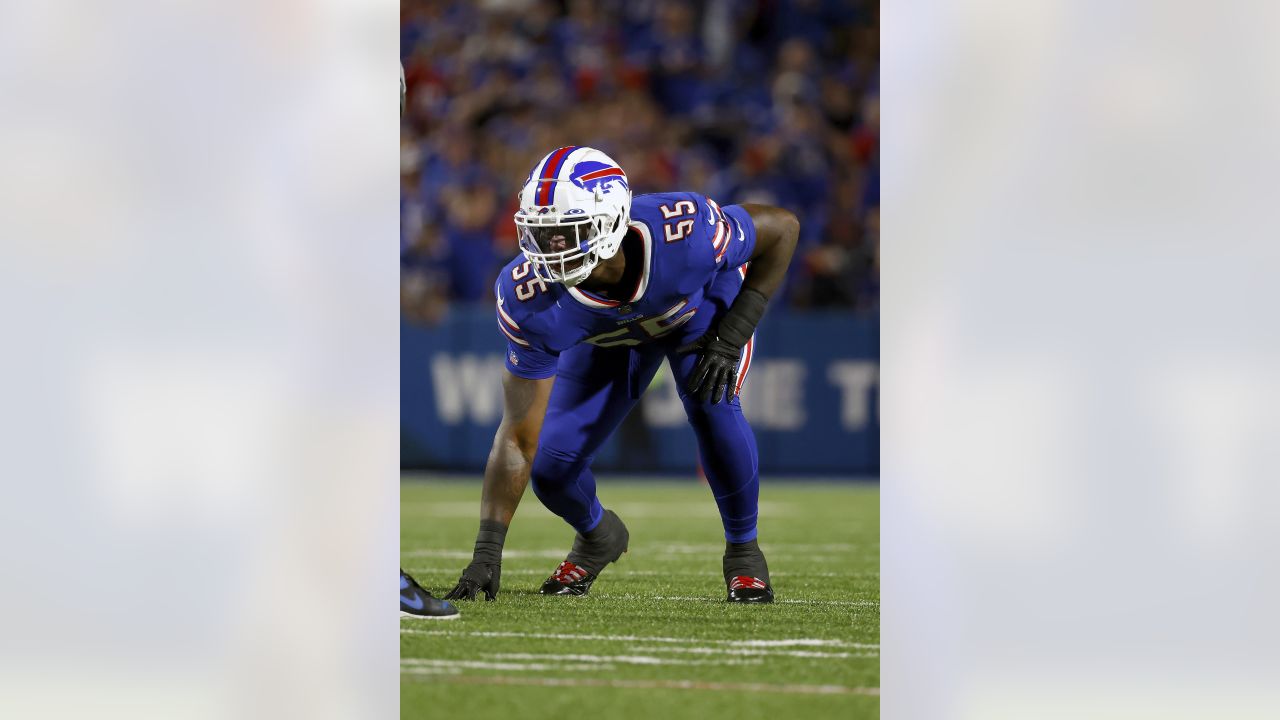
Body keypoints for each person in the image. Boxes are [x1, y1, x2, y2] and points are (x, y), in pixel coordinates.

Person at [443, 146, 798, 604]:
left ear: (609, 221)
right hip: (612, 339)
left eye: (564, 233)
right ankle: (597, 537)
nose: (549, 250)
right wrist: (487, 553)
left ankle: (744, 556)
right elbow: (517, 438)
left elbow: (782, 228)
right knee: (551, 468)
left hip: (698, 312)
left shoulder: (683, 236)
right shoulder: (527, 297)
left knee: (711, 401)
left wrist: (733, 333)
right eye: (539, 233)